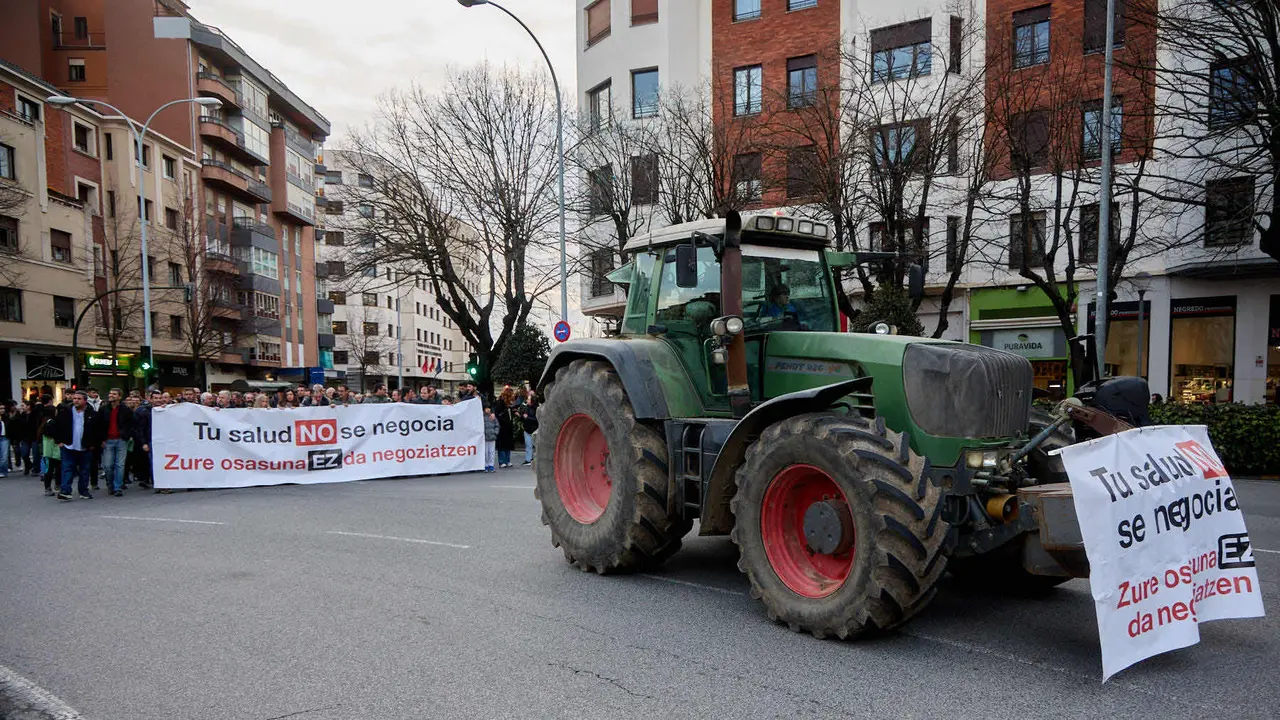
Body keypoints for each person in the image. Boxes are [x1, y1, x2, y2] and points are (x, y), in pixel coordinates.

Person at [52, 390, 98, 501]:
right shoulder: (65, 410)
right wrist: (59, 441)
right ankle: (65, 491)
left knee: (84, 470)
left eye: (79, 399)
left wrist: (93, 444)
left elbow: (96, 430)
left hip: (85, 446)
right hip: (68, 445)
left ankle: (83, 491)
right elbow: (57, 426)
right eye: (74, 398)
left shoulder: (92, 413)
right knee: (67, 468)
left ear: (85, 401)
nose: (76, 401)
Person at [93, 388, 135, 497]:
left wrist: (126, 436)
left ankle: (117, 487)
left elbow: (131, 425)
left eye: (114, 394)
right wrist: (101, 439)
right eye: (110, 393)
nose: (111, 395)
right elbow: (99, 425)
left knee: (120, 465)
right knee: (108, 465)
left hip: (121, 440)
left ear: (119, 396)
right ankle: (110, 484)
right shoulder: (103, 409)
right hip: (108, 440)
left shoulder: (126, 410)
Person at [132, 391, 161, 490]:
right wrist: (143, 442)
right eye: (155, 398)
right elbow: (140, 429)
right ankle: (156, 483)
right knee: (153, 462)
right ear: (150, 399)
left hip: (161, 440)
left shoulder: (165, 410)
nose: (158, 400)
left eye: (159, 398)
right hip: (150, 440)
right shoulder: (143, 411)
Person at [495, 387, 515, 469]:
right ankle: (502, 461)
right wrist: (503, 417)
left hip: (508, 425)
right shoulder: (500, 402)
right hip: (502, 425)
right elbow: (497, 414)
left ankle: (507, 460)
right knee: (502, 444)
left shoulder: (510, 404)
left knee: (508, 443)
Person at [519, 391, 539, 466]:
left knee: (536, 446)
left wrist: (528, 418)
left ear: (532, 401)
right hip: (527, 429)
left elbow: (537, 419)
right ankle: (528, 460)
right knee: (528, 445)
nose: (527, 400)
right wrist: (521, 416)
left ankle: (536, 459)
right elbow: (523, 417)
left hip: (535, 429)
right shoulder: (526, 407)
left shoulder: (537, 408)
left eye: (528, 399)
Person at [483, 409, 499, 473]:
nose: (488, 410)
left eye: (489, 408)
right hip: (485, 437)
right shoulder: (482, 417)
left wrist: (495, 432)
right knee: (485, 452)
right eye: (486, 409)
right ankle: (486, 465)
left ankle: (491, 465)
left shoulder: (493, 417)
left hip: (492, 436)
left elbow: (497, 425)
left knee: (492, 452)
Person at [0, 403, 10, 478]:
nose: (2, 410)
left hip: (5, 438)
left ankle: (3, 471)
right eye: (0, 408)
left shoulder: (6, 417)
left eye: (3, 408)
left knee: (4, 456)